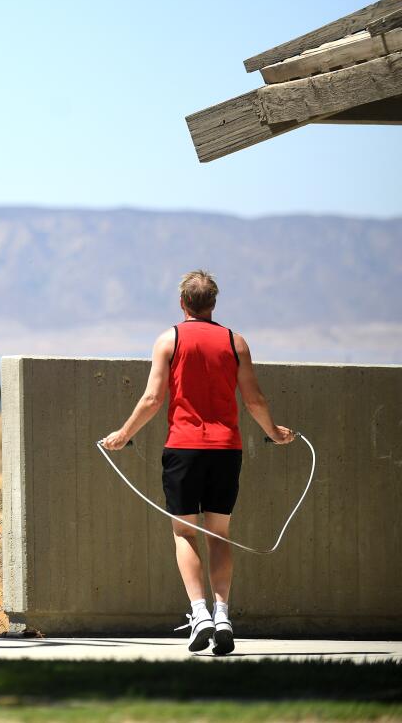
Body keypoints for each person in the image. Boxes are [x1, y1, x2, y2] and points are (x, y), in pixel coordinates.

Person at [101, 270, 294, 656]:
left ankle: (199, 613)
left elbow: (153, 399)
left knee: (184, 533)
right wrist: (273, 431)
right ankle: (223, 614)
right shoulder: (234, 341)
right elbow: (254, 399)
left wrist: (123, 435)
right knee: (219, 534)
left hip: (183, 450)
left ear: (183, 303)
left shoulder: (168, 339)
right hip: (227, 449)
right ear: (213, 304)